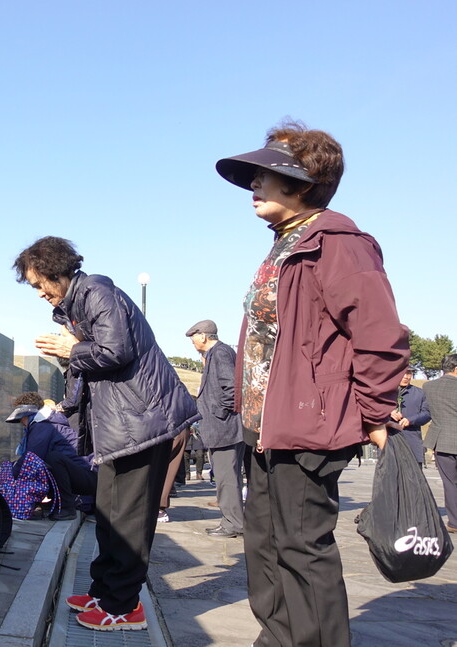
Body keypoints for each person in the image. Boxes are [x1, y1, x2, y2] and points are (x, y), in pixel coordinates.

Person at [215, 122, 409, 647]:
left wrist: (370, 413)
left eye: (267, 174)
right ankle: (278, 641)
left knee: (302, 547)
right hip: (263, 429)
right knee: (265, 545)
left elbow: (382, 336)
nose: (255, 185)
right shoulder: (286, 244)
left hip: (308, 427)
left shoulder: (338, 244)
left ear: (304, 182)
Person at [13, 236, 199, 632]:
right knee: (109, 513)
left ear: (57, 269)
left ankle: (124, 606)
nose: (39, 292)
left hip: (143, 422)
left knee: (128, 518)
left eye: (39, 282)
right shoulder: (74, 308)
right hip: (120, 426)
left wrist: (71, 349)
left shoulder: (97, 291)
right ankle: (103, 591)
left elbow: (116, 350)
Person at [186, 319, 245, 538]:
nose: (192, 342)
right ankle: (233, 520)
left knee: (226, 479)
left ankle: (233, 523)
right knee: (227, 477)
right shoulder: (218, 354)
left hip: (224, 428)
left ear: (203, 335)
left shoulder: (220, 353)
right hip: (222, 427)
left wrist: (220, 413)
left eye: (193, 337)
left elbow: (231, 387)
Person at [5, 392, 96, 520]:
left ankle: (66, 507)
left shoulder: (43, 426)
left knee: (52, 459)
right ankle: (58, 503)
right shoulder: (45, 423)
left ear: (28, 414)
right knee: (48, 461)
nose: (21, 422)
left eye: (22, 418)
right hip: (84, 476)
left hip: (87, 478)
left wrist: (7, 473)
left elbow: (31, 458)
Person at [423, 354, 457, 532]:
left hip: (442, 441)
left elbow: (426, 411)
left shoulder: (429, 387)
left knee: (450, 482)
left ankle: (454, 522)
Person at [390, 366, 431, 467]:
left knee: (414, 478)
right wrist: (388, 413)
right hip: (390, 440)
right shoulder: (385, 392)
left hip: (412, 440)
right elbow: (374, 410)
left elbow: (427, 413)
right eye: (403, 373)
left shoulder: (420, 393)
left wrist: (410, 420)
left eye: (409, 373)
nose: (406, 377)